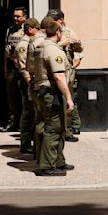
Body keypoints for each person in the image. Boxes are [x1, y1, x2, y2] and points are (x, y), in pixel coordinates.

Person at [33, 19, 75, 176]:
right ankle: (47, 166)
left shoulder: (40, 47)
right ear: (58, 33)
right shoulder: (54, 50)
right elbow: (59, 77)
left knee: (59, 127)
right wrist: (69, 98)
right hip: (52, 93)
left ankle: (58, 161)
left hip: (42, 91)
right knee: (53, 128)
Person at [46, 9, 83, 142]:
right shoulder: (47, 31)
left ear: (60, 20)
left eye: (53, 19)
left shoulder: (68, 32)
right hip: (52, 70)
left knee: (68, 100)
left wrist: (76, 61)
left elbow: (78, 48)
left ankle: (68, 130)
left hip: (66, 71)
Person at [14, 18, 40, 154]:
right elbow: (24, 69)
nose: (38, 31)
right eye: (37, 28)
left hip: (30, 82)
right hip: (27, 82)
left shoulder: (30, 42)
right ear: (30, 29)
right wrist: (30, 84)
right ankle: (25, 142)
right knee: (28, 112)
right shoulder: (23, 45)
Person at [3, 7, 27, 132]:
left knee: (24, 96)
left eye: (18, 16)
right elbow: (5, 51)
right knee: (12, 96)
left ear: (24, 17)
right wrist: (5, 70)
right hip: (12, 67)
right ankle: (13, 122)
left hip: (23, 67)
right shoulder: (10, 30)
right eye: (14, 16)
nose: (16, 18)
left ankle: (24, 123)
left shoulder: (28, 30)